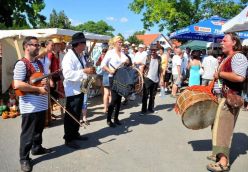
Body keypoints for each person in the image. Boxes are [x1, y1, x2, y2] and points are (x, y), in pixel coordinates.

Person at [206, 32, 248, 172]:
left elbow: (240, 77)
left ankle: (223, 163)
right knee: (217, 127)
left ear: (234, 43)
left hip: (230, 99)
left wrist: (220, 74)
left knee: (223, 130)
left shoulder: (239, 56)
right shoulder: (228, 57)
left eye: (225, 40)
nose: (221, 43)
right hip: (222, 97)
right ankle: (218, 155)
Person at [13, 36, 52, 172]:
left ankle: (37, 148)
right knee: (27, 134)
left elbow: (40, 79)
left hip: (41, 103)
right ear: (26, 46)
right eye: (34, 45)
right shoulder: (21, 64)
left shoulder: (39, 63)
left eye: (38, 45)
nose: (37, 47)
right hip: (29, 106)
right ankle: (24, 159)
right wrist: (37, 89)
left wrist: (46, 82)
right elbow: (18, 84)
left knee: (38, 131)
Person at [62, 32, 95, 149]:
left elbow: (82, 70)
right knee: (71, 115)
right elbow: (67, 74)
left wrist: (88, 71)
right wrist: (84, 72)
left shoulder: (80, 55)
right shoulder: (68, 56)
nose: (85, 45)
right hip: (72, 90)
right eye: (84, 43)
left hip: (80, 88)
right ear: (78, 44)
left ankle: (75, 134)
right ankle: (68, 138)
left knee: (77, 114)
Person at [101, 36, 129, 127]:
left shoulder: (122, 53)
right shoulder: (110, 52)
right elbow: (103, 65)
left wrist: (127, 61)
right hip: (112, 77)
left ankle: (116, 118)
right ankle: (109, 119)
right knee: (113, 99)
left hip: (121, 77)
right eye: (119, 42)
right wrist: (110, 71)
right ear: (114, 43)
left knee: (119, 99)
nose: (120, 44)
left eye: (121, 42)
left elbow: (127, 61)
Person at [141, 45, 163, 114]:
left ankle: (150, 108)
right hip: (147, 78)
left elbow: (160, 69)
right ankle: (143, 110)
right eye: (152, 50)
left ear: (156, 50)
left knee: (152, 96)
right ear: (150, 50)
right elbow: (142, 67)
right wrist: (142, 78)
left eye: (154, 50)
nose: (153, 51)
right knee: (145, 95)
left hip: (155, 79)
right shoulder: (147, 57)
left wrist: (161, 78)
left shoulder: (159, 58)